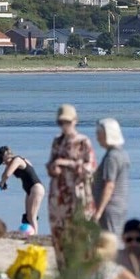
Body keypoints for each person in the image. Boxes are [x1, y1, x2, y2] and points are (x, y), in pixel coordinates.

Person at [47, 104, 97, 270]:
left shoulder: (83, 142)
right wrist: (53, 168)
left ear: (75, 121)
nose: (64, 126)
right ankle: (64, 272)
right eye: (61, 123)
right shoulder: (57, 141)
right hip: (58, 194)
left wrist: (66, 163)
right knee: (59, 234)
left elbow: (90, 168)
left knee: (80, 233)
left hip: (78, 194)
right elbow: (51, 163)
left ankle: (82, 271)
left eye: (67, 122)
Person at [0, 146, 45, 235]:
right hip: (29, 190)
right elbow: (4, 175)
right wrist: (3, 183)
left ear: (6, 155)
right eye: (3, 163)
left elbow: (8, 174)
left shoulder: (17, 160)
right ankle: (29, 234)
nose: (4, 164)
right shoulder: (11, 163)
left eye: (4, 161)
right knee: (27, 216)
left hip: (36, 188)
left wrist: (1, 183)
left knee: (32, 216)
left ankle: (35, 236)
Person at [92, 118, 131, 234]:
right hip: (119, 205)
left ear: (108, 135)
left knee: (111, 241)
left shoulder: (112, 157)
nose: (97, 137)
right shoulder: (122, 154)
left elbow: (109, 185)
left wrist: (98, 212)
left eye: (99, 133)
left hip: (110, 207)